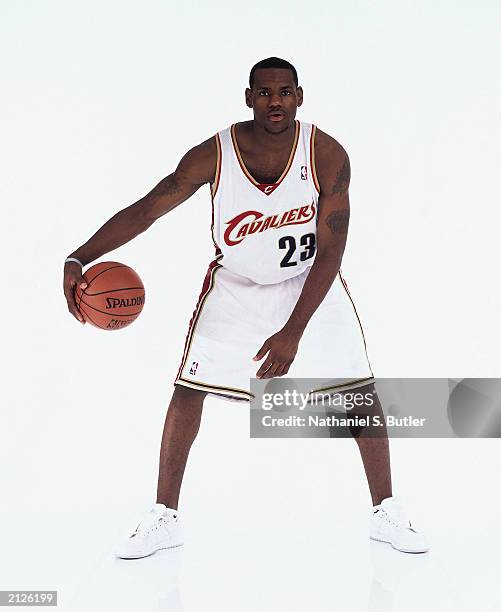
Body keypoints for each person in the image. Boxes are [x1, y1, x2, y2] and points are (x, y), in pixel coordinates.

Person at [63, 57, 429, 557]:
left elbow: (333, 249)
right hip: (236, 285)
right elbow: (148, 209)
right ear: (248, 97)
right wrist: (81, 256)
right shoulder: (213, 154)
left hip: (310, 282)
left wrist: (294, 330)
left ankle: (385, 511)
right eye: (263, 93)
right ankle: (164, 517)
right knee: (189, 391)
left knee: (360, 393)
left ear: (299, 96)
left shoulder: (326, 154)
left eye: (283, 92)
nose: (274, 102)